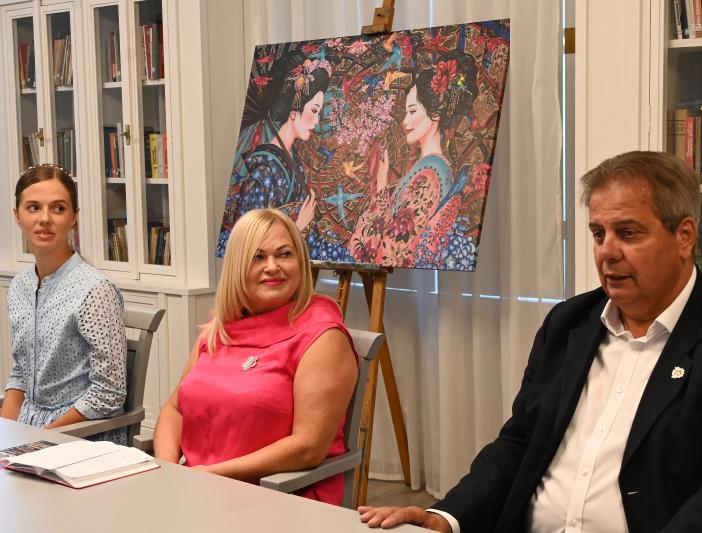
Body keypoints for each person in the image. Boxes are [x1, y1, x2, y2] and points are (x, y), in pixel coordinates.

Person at [359, 151, 702, 532]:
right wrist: (447, 516)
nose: (607, 252)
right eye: (598, 233)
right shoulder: (568, 324)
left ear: (684, 236)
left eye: (628, 233)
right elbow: (520, 441)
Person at [154, 208, 358, 505]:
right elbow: (174, 409)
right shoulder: (219, 329)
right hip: (198, 488)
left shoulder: (323, 336)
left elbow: (308, 448)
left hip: (279, 497)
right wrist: (168, 472)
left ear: (300, 262)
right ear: (237, 266)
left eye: (284, 254)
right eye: (258, 257)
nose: (272, 267)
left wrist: (205, 476)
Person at [1, 164, 127, 444]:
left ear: (74, 218)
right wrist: (3, 439)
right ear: (17, 216)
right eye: (33, 207)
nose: (45, 218)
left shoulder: (95, 290)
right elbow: (21, 373)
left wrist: (37, 440)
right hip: (28, 431)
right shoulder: (20, 286)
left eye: (58, 208)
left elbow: (109, 393)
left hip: (81, 436)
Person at [350, 49, 478, 268]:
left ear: (435, 114)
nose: (405, 121)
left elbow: (384, 255)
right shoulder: (427, 167)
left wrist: (381, 187)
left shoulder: (429, 177)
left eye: (412, 111)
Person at [216, 48, 332, 256]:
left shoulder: (294, 162)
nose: (316, 121)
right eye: (314, 110)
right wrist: (297, 227)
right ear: (294, 111)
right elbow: (250, 240)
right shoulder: (263, 169)